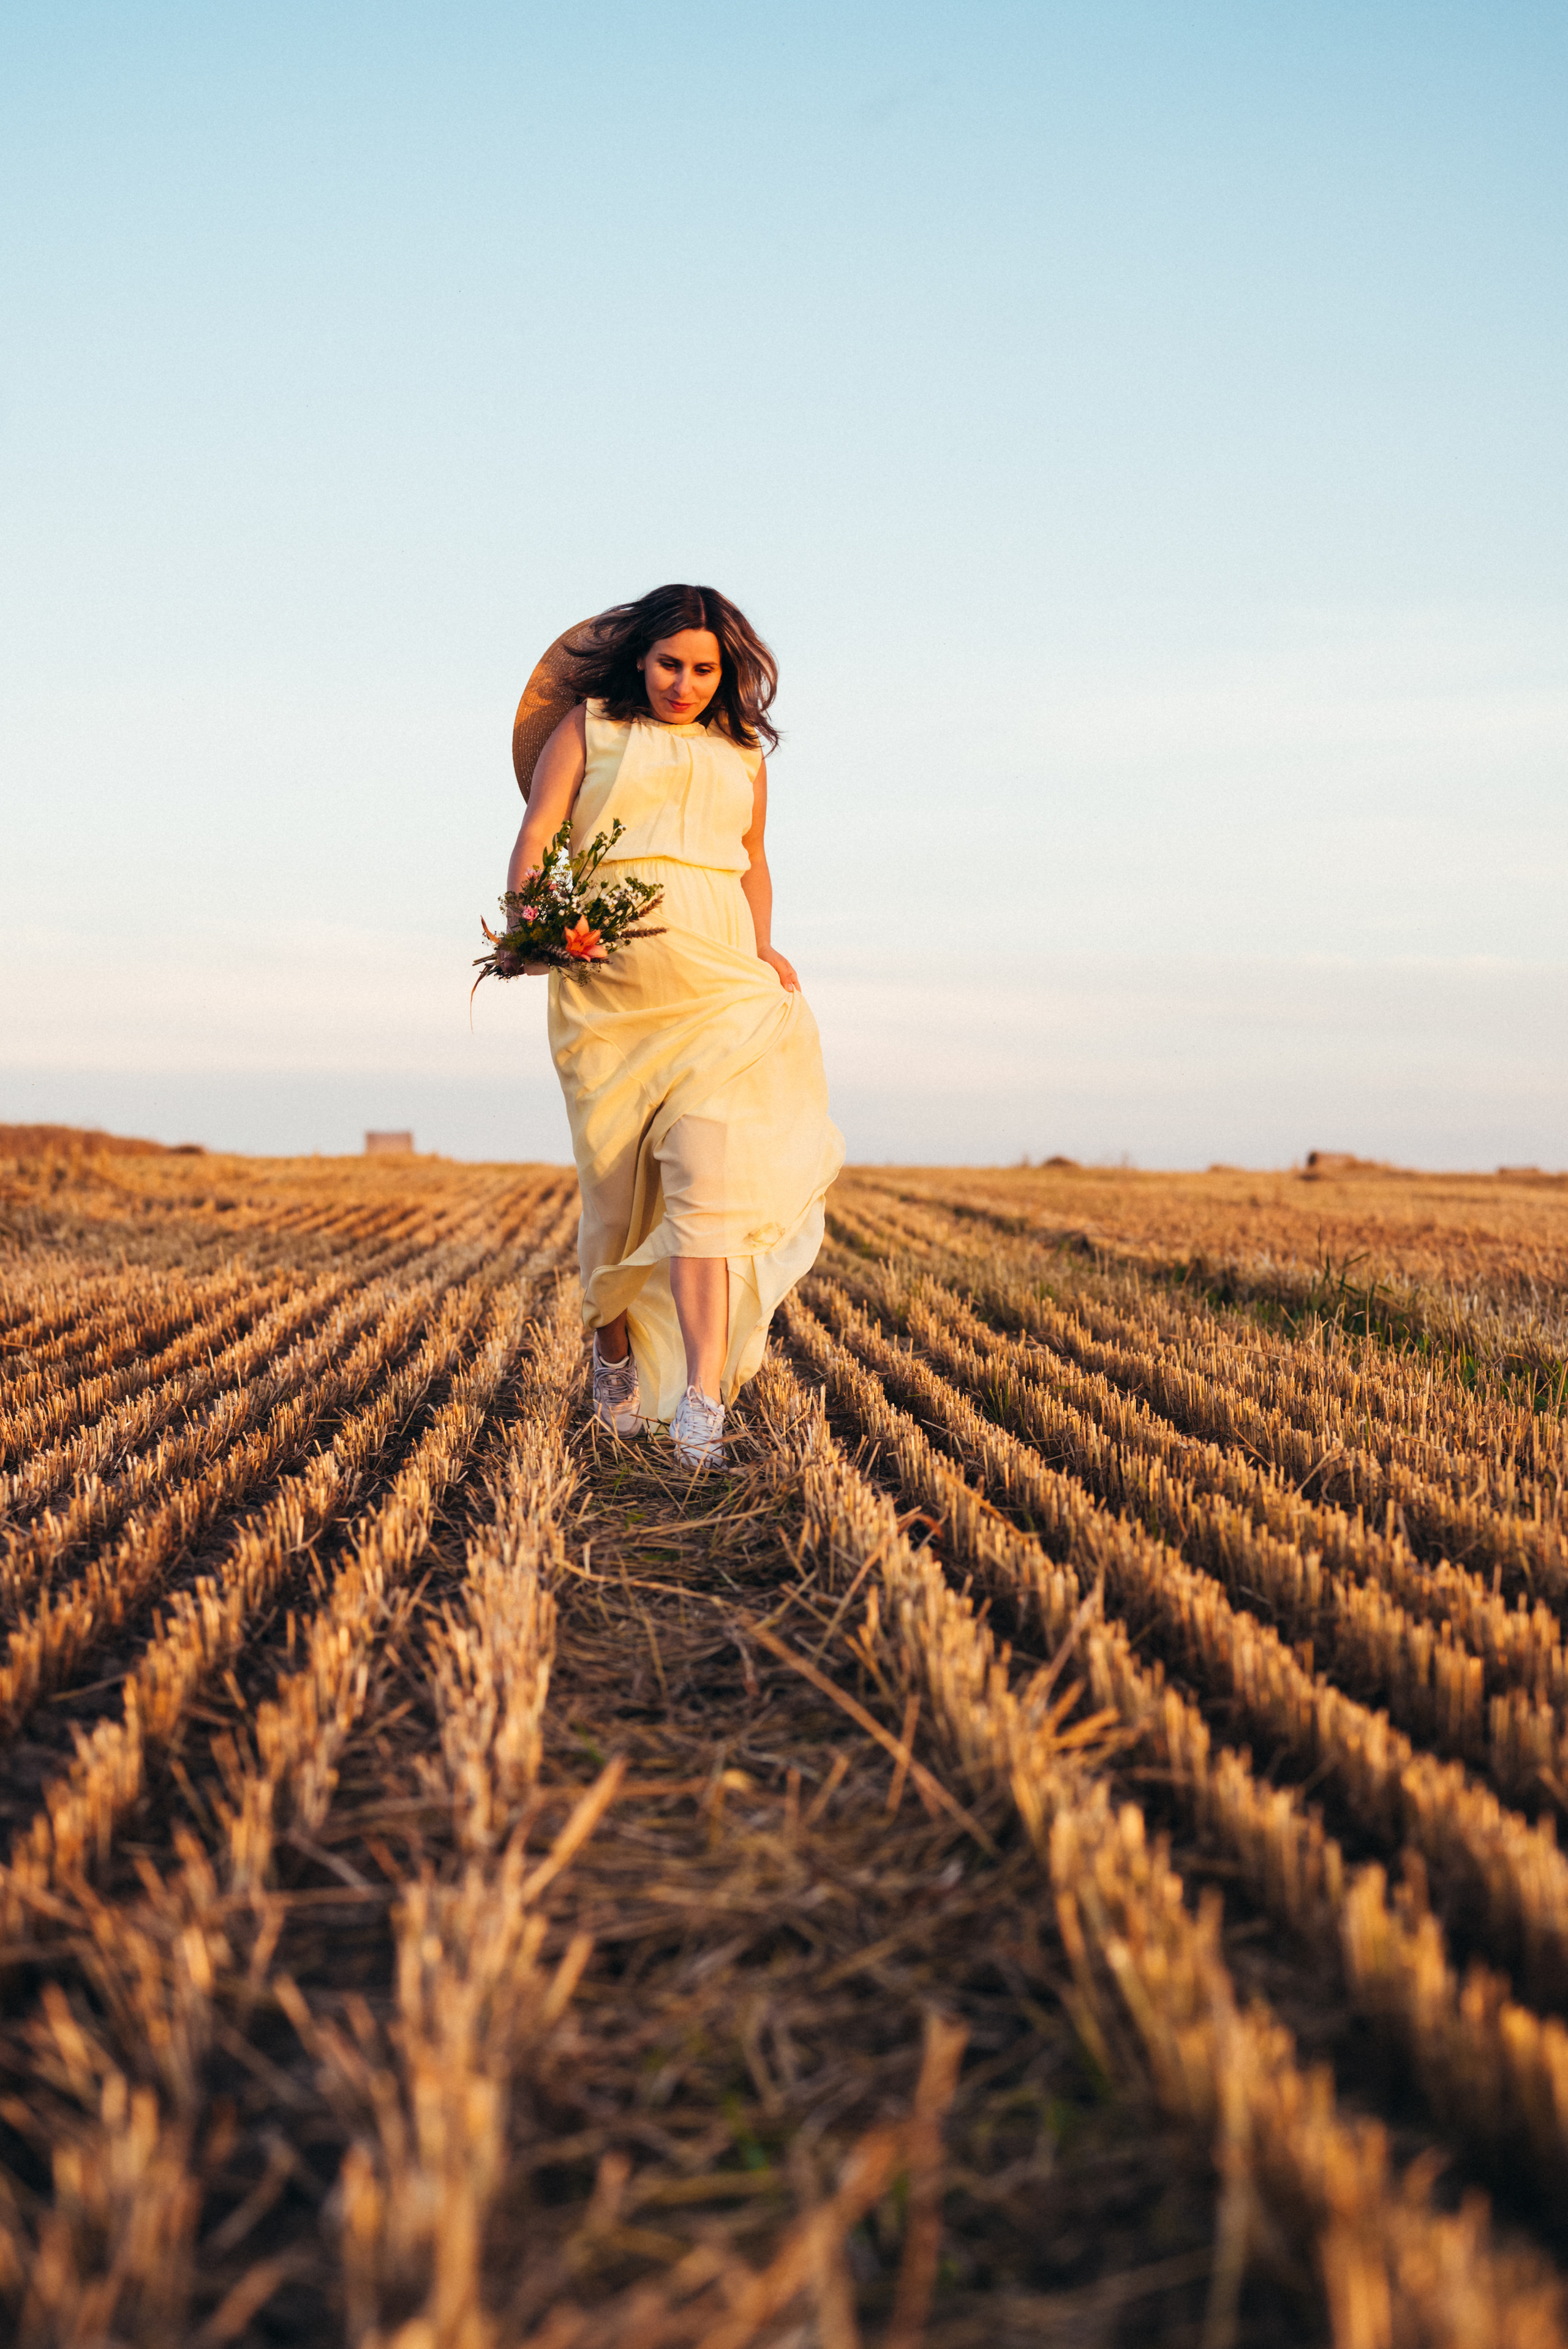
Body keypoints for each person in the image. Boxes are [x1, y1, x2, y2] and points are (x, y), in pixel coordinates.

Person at [504, 584, 844, 1468]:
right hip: (610, 989)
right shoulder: (590, 728)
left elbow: (754, 860)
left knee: (708, 1191)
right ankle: (611, 1344)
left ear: (727, 671)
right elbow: (542, 828)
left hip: (721, 989)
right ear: (640, 659)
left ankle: (703, 1400)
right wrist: (530, 922)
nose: (684, 683)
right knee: (614, 1197)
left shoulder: (742, 755)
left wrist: (763, 949)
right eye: (669, 664)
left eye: (704, 668)